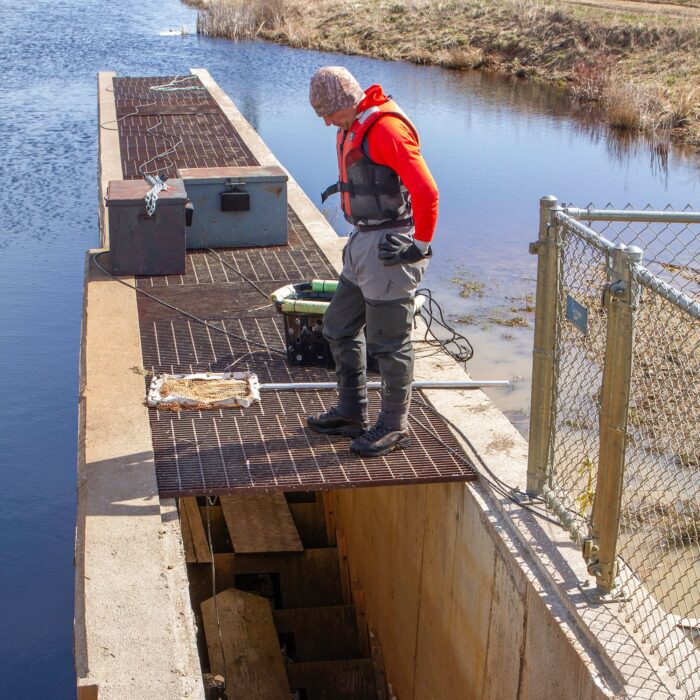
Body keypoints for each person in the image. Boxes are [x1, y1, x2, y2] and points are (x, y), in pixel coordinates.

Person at [306, 66, 439, 458]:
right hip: (362, 241)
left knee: (390, 344)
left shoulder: (386, 130)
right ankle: (352, 414)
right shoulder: (354, 124)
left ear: (347, 102)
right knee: (338, 326)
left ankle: (394, 426)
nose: (328, 122)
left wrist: (421, 245)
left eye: (329, 113)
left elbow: (427, 191)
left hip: (389, 248)